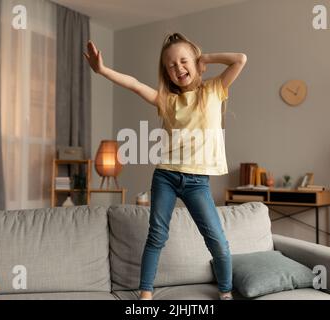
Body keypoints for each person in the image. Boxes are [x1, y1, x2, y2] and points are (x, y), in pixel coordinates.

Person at [84, 32, 247, 300]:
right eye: (171, 65)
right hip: (166, 177)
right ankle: (146, 294)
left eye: (184, 61)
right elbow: (134, 84)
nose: (178, 68)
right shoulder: (166, 100)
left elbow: (240, 59)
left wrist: (205, 58)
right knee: (157, 235)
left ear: (195, 63)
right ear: (166, 73)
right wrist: (102, 70)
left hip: (197, 182)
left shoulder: (213, 90)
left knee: (217, 241)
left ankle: (226, 293)